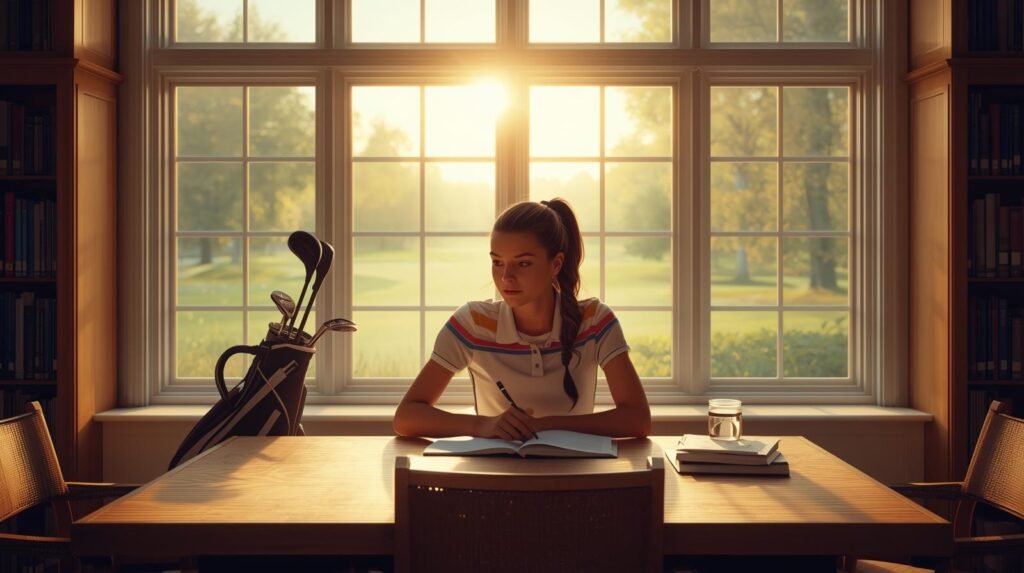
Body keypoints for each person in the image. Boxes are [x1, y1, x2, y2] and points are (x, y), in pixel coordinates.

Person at [393, 198, 651, 440]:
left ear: (556, 264)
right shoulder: (472, 323)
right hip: (494, 478)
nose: (506, 277)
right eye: (497, 262)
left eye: (523, 264)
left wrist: (544, 426)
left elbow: (638, 420)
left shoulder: (595, 320)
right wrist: (483, 425)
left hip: (574, 477)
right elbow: (406, 417)